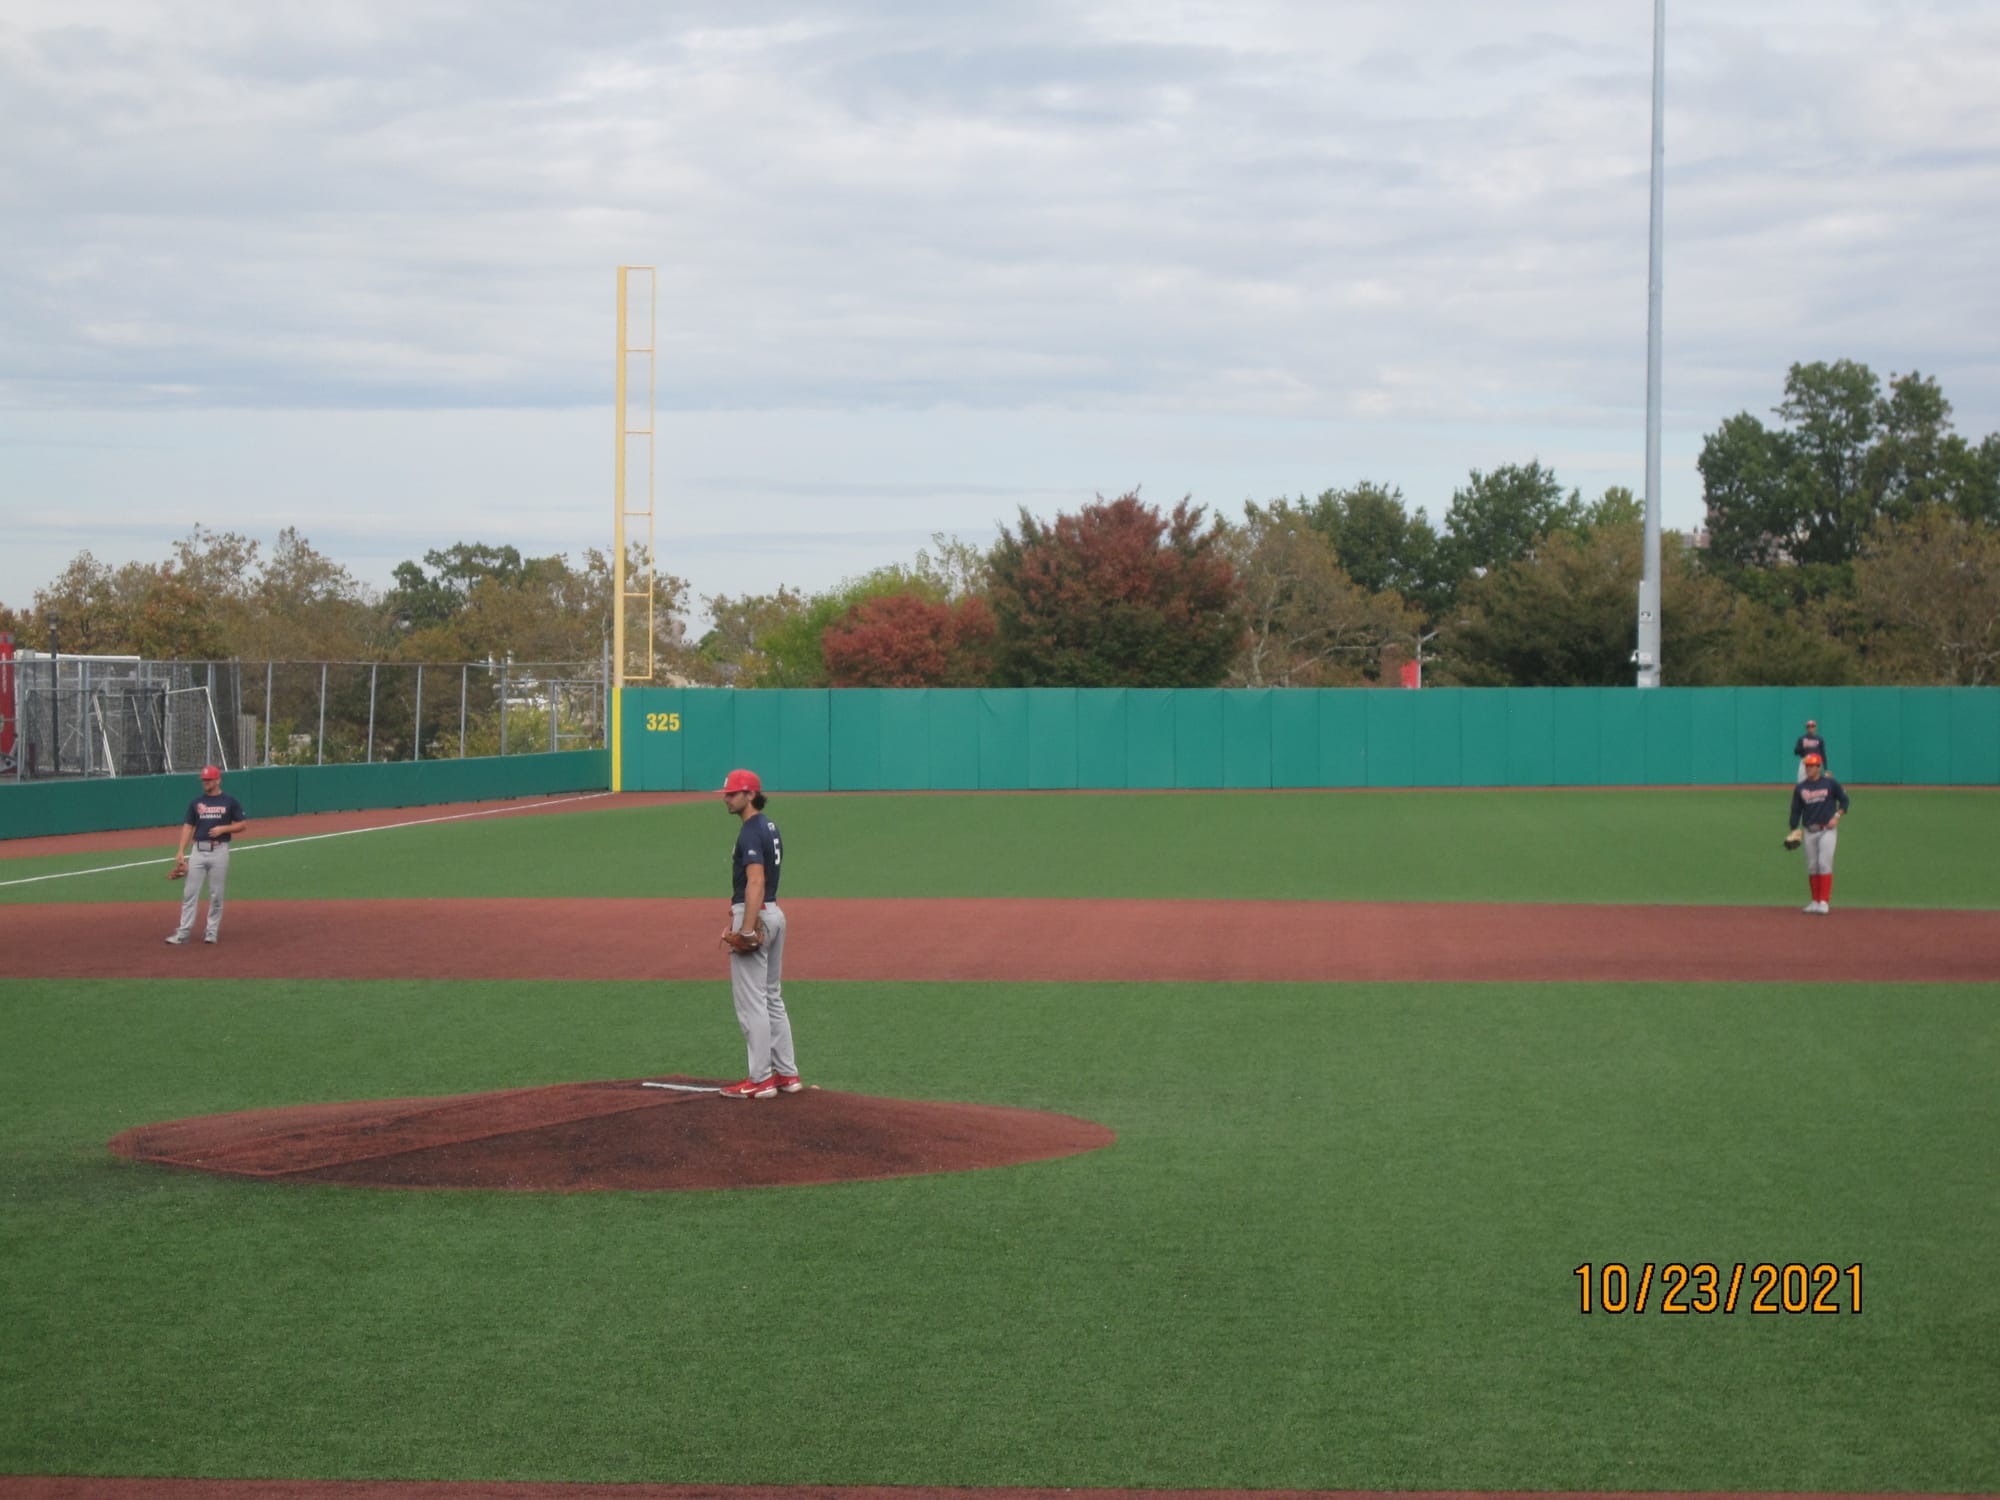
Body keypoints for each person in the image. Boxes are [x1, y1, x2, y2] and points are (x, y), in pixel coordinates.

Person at [715, 768, 801, 1099]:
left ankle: (761, 1079)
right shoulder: (770, 826)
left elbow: (756, 881)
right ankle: (786, 1074)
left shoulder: (751, 831)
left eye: (732, 793)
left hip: (758, 915)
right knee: (771, 996)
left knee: (752, 1002)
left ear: (750, 795)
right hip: (774, 913)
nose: (726, 798)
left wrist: (747, 928)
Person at [167, 765, 247, 945]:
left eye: (209, 779)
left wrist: (224, 828)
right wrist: (180, 851)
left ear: (218, 780)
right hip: (198, 851)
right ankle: (183, 932)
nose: (205, 782)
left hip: (219, 851)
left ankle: (211, 932)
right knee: (189, 893)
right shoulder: (196, 803)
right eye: (203, 780)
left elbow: (242, 824)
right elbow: (188, 826)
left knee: (216, 894)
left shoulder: (229, 801)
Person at [1787, 753, 1848, 915]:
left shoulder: (1830, 783)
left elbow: (1844, 800)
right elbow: (1796, 810)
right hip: (1809, 831)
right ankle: (1814, 901)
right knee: (1812, 866)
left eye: (1812, 765)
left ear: (1819, 767)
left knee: (1824, 864)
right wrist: (1793, 828)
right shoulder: (1801, 788)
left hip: (1827, 831)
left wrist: (1837, 816)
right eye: (1807, 765)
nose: (1809, 768)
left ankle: (1824, 901)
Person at [1793, 718, 1828, 783]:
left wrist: (1826, 768)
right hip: (1805, 762)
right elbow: (1796, 752)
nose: (1810, 728)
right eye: (1808, 726)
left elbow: (1823, 753)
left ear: (1815, 727)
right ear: (1806, 728)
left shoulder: (1819, 739)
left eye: (1812, 726)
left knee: (1816, 782)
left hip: (1816, 762)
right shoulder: (1802, 738)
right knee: (1801, 781)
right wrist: (1802, 747)